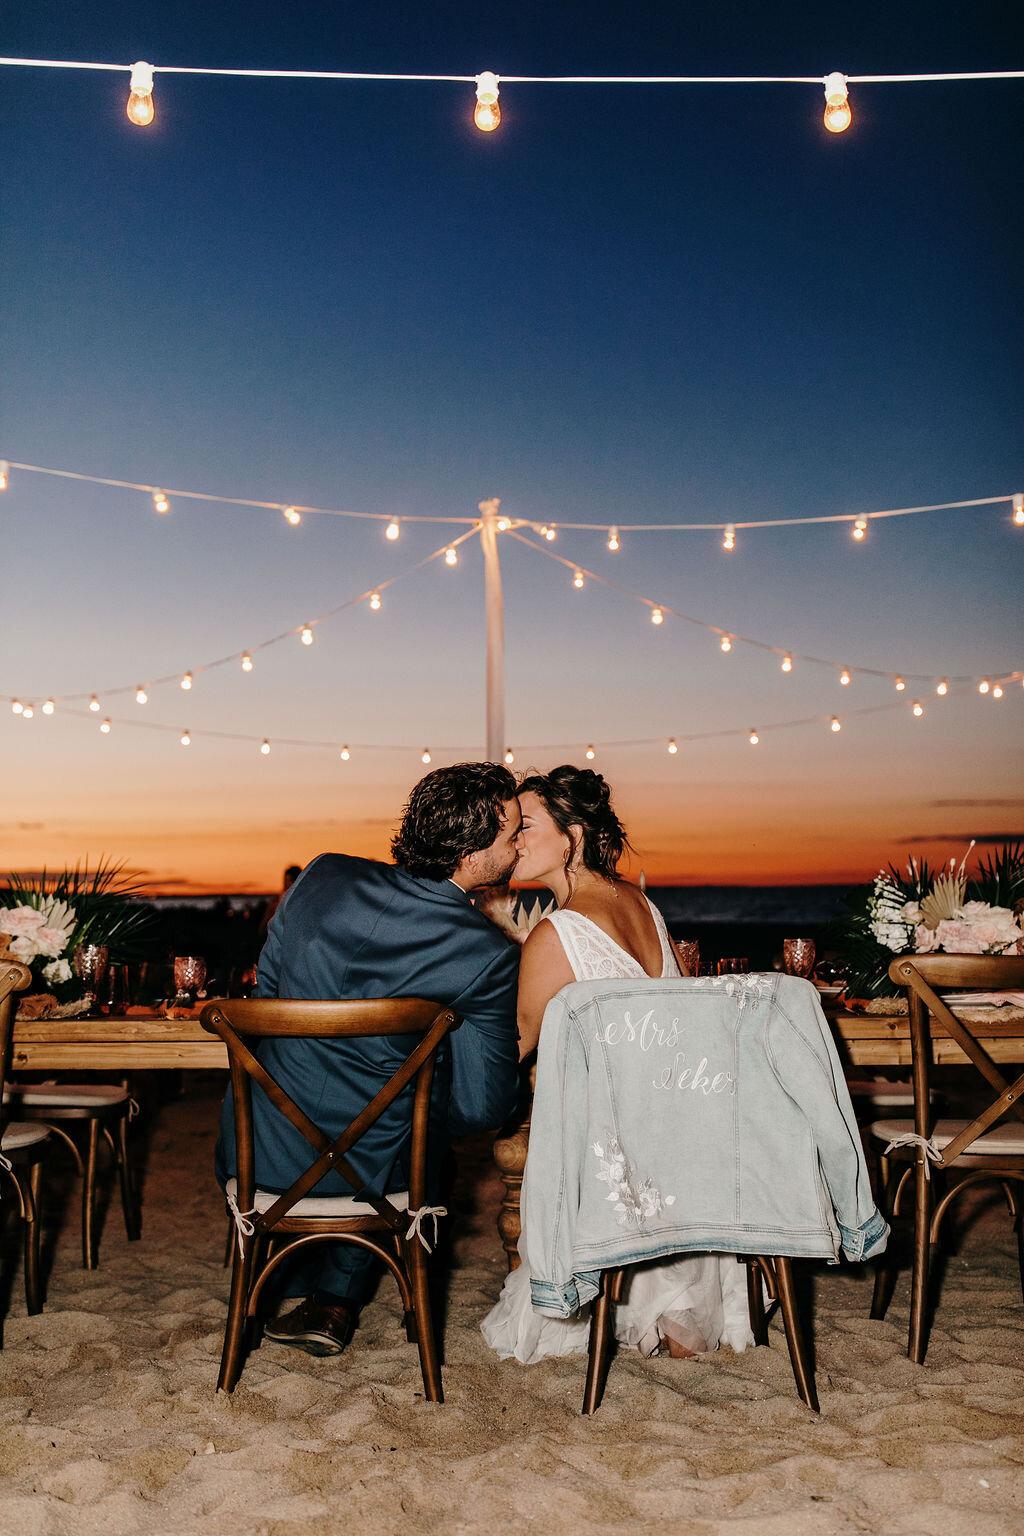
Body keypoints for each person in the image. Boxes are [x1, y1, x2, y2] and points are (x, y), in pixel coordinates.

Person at [216, 762, 523, 1357]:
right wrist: (421, 1086)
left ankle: (303, 1281)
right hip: (376, 1183)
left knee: (371, 1129)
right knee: (420, 1142)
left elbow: (267, 1000)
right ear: (470, 849)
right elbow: (484, 1108)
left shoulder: (322, 874)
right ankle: (335, 1295)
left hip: (255, 1152)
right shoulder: (486, 952)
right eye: (510, 835)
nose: (517, 846)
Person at [481, 764, 754, 1364]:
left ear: (572, 836)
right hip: (677, 1138)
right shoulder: (643, 906)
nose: (514, 840)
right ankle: (666, 1309)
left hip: (603, 1154)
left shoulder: (556, 934)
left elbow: (512, 1047)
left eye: (525, 826)